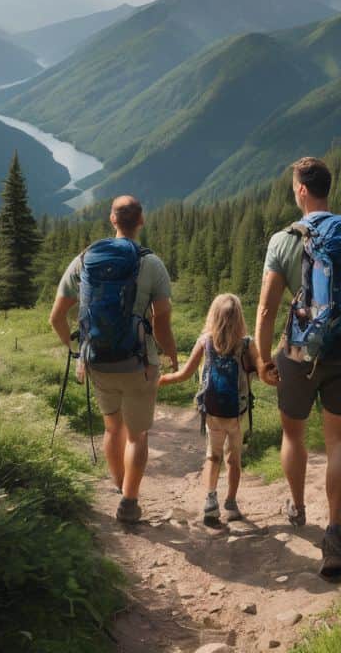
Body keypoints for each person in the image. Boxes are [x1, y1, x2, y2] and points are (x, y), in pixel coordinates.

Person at [256, 157, 341, 577]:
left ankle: (298, 505)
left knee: (294, 432)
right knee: (338, 441)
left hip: (298, 353)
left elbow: (268, 307)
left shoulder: (284, 240)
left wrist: (259, 356)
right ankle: (336, 531)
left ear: (302, 190)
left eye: (294, 187)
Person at [49, 195, 177, 525]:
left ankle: (121, 487)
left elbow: (57, 317)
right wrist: (171, 353)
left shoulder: (84, 259)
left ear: (112, 220)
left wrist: (76, 351)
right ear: (142, 221)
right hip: (138, 363)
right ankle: (130, 501)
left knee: (112, 427)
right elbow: (161, 319)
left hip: (97, 361)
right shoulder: (152, 264)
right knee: (136, 435)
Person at [160, 293, 261, 526]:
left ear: (213, 316)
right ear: (239, 319)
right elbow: (262, 371)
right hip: (237, 413)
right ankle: (232, 503)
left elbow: (184, 374)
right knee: (233, 458)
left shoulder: (205, 341)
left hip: (212, 412)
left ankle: (210, 501)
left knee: (212, 456)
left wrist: (162, 379)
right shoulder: (247, 344)